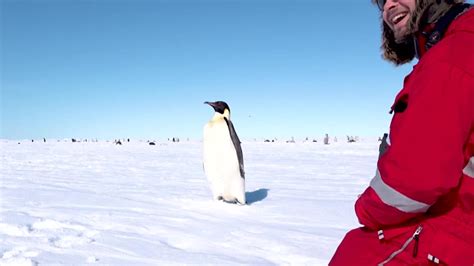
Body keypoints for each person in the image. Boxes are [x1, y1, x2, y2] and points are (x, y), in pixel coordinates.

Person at [330, 0, 473, 265]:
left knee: (358, 253)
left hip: (460, 228)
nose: (388, 6)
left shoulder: (451, 56)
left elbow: (414, 181)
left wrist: (366, 210)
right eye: (382, 2)